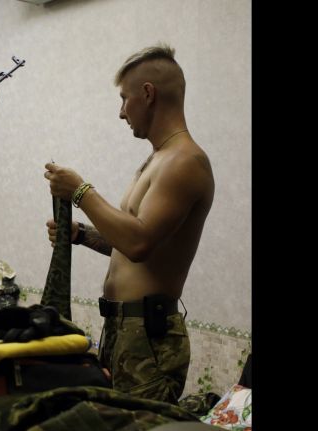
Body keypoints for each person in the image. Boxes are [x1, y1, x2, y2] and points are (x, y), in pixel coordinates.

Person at [43, 44, 214, 403]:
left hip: (147, 337)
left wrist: (80, 191)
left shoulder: (185, 161)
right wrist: (81, 236)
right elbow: (135, 242)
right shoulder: (158, 159)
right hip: (123, 329)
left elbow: (139, 243)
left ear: (148, 94)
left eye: (124, 99)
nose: (121, 113)